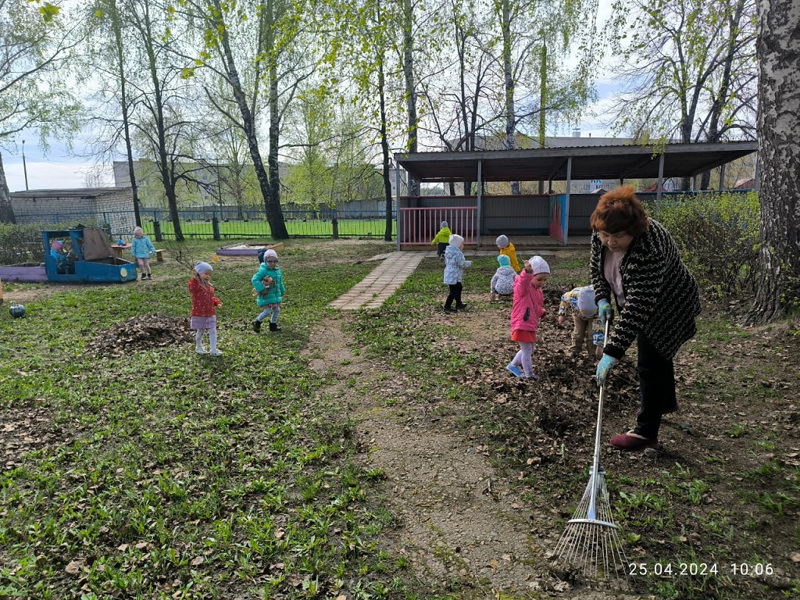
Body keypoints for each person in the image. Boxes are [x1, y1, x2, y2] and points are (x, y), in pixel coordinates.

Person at [591, 185, 701, 450]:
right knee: (659, 356)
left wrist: (612, 352)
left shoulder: (649, 247)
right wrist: (602, 297)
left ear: (635, 230)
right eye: (604, 234)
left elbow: (639, 306)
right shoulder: (600, 234)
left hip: (668, 305)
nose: (609, 241)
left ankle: (646, 432)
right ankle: (664, 403)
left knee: (650, 362)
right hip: (640, 302)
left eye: (617, 236)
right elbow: (596, 269)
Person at [506, 256, 549, 379]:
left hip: (530, 322)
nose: (542, 283)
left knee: (530, 349)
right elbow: (523, 282)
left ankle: (513, 365)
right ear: (532, 276)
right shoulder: (523, 288)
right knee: (527, 350)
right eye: (539, 279)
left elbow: (535, 306)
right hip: (522, 322)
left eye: (544, 280)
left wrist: (542, 313)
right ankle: (529, 374)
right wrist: (527, 272)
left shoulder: (537, 290)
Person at [557, 284, 604, 359]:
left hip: (594, 318)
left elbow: (599, 331)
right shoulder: (573, 295)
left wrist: (600, 345)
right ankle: (575, 350)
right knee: (578, 332)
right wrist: (562, 314)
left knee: (592, 334)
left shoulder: (600, 308)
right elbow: (564, 299)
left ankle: (593, 353)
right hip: (577, 314)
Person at [189, 261, 223, 356]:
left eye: (209, 275)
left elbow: (211, 297)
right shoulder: (195, 284)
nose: (208, 276)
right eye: (206, 274)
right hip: (199, 313)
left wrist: (217, 302)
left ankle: (213, 350)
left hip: (210, 312)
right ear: (199, 273)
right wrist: (196, 276)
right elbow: (192, 286)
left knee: (212, 330)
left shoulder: (209, 286)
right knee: (201, 330)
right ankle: (198, 347)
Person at [251, 249, 285, 332]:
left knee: (277, 310)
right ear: (265, 261)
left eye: (275, 261)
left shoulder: (277, 271)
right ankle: (257, 322)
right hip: (266, 295)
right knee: (267, 311)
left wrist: (282, 290)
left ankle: (273, 325)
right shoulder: (263, 270)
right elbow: (255, 279)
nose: (273, 263)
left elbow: (280, 282)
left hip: (275, 295)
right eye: (270, 261)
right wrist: (261, 289)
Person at [443, 234, 471, 312]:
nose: (463, 245)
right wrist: (469, 263)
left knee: (458, 288)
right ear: (457, 244)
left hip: (450, 274)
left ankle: (458, 303)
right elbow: (461, 263)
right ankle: (447, 306)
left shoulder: (448, 251)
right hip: (454, 275)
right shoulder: (457, 253)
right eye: (462, 243)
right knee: (453, 291)